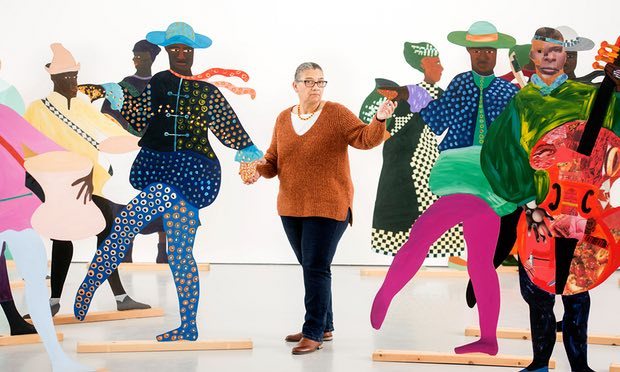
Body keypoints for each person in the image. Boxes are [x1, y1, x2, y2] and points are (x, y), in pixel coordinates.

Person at [73, 21, 263, 342]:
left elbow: (229, 128)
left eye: (185, 49)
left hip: (193, 171)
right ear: (168, 52)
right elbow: (138, 116)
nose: (179, 54)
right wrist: (112, 92)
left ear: (193, 52)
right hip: (160, 165)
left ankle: (89, 285)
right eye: (174, 49)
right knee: (178, 252)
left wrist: (248, 156)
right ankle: (188, 326)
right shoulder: (159, 82)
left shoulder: (207, 92)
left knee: (128, 226)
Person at [370, 21, 519, 356]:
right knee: (463, 256)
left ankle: (387, 295)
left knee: (446, 249)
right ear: (468, 52)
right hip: (459, 177)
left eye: (489, 50)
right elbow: (437, 118)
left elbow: (518, 139)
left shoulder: (510, 93)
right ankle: (487, 338)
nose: (483, 55)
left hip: (491, 184)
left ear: (496, 53)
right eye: (477, 49)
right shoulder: (461, 84)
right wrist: (412, 94)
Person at [481, 27, 620, 372]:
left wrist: (616, 86)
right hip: (539, 208)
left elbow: (612, 127)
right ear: (533, 56)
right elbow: (504, 153)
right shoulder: (522, 102)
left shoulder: (585, 95)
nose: (547, 57)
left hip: (583, 211)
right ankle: (540, 362)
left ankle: (580, 366)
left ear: (565, 56)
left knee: (577, 290)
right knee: (537, 293)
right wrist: (530, 202)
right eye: (541, 51)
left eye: (554, 51)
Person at [256, 62, 394, 354]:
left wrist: (379, 120)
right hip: (291, 206)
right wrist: (259, 168)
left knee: (316, 267)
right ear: (295, 86)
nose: (316, 87)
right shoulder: (283, 119)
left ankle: (313, 332)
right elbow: (272, 161)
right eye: (309, 82)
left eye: (321, 82)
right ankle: (325, 326)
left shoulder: (336, 113)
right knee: (312, 266)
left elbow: (365, 139)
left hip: (330, 205)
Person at [23, 43, 150, 316]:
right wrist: (48, 184)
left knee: (108, 230)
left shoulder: (83, 108)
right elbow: (28, 151)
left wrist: (144, 139)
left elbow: (111, 132)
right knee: (62, 237)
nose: (71, 82)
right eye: (65, 77)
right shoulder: (38, 109)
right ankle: (55, 300)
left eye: (74, 77)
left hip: (87, 183)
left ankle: (120, 296)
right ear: (53, 79)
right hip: (56, 185)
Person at [0, 104, 96, 371]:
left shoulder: (3, 114)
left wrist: (85, 167)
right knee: (36, 286)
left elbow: (46, 146)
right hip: (19, 209)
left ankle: (58, 359)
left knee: (37, 287)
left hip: (19, 211)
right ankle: (58, 360)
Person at [361, 41, 466, 259]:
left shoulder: (439, 94)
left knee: (435, 207)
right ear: (423, 65)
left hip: (431, 159)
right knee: (403, 210)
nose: (441, 68)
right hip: (404, 162)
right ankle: (404, 255)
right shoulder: (408, 95)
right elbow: (386, 130)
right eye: (436, 62)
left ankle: (438, 252)